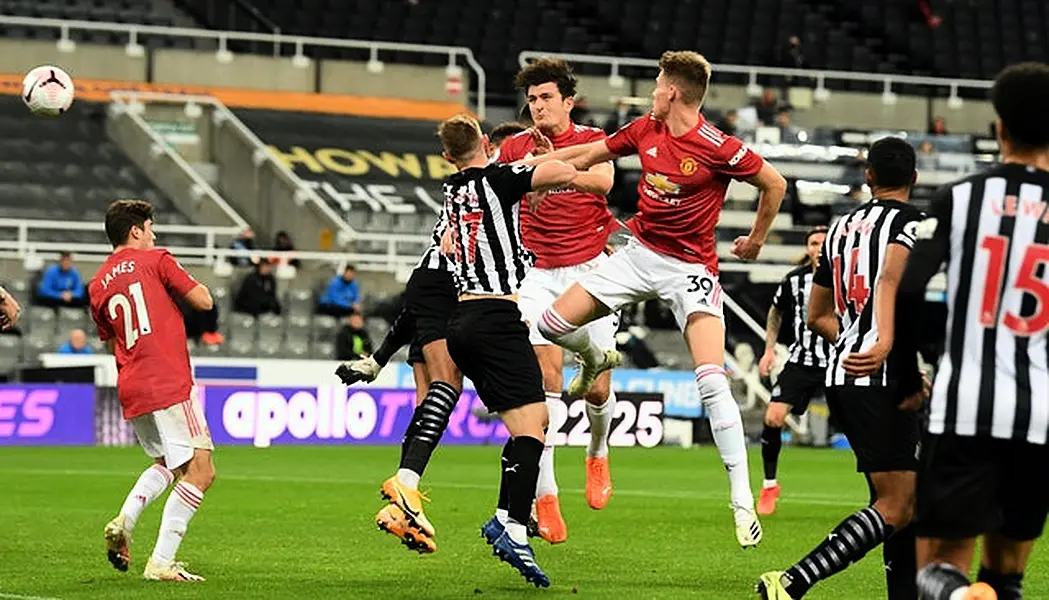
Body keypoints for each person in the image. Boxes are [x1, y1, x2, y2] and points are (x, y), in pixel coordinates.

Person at [521, 50, 786, 548]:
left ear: (674, 92)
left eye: (657, 84)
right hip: (638, 254)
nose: (651, 92)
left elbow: (774, 183)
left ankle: (742, 501)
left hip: (690, 270)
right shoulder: (646, 129)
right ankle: (594, 355)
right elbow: (590, 156)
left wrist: (756, 239)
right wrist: (531, 166)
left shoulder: (717, 146)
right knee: (549, 326)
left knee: (712, 381)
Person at [756, 137, 929, 599]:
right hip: (886, 378)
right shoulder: (915, 224)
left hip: (843, 374)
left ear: (868, 176)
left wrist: (856, 342)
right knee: (897, 504)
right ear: (914, 178)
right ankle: (792, 581)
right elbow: (895, 282)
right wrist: (887, 345)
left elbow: (817, 314)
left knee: (902, 499)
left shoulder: (838, 230)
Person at [904, 62, 1049, 600]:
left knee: (937, 570)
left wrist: (919, 366)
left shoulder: (961, 198)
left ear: (1000, 128)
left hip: (964, 403)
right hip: (1038, 413)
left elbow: (909, 287)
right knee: (1007, 573)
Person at [437, 113, 579, 588]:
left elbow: (448, 240)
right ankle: (511, 523)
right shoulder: (498, 178)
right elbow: (559, 173)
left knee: (528, 424)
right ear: (483, 142)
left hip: (461, 322)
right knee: (535, 425)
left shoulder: (452, 193)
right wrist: (555, 155)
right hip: (497, 318)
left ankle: (510, 518)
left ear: (446, 157)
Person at [496, 57, 621, 543]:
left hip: (590, 270)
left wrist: (547, 170)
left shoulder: (594, 141)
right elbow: (498, 190)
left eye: (547, 97)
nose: (538, 106)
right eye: (532, 99)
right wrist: (526, 173)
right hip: (535, 274)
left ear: (568, 102)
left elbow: (603, 182)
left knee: (596, 388)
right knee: (543, 383)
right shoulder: (513, 147)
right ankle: (546, 497)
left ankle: (598, 451)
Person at [339, 122, 528, 406]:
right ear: (489, 148)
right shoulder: (482, 189)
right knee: (443, 387)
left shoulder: (497, 198)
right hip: (457, 294)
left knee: (439, 391)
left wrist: (380, 358)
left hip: (455, 295)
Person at [89, 199, 216, 582]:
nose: (154, 235)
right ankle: (161, 561)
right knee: (201, 471)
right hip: (168, 379)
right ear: (136, 231)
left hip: (132, 384)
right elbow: (204, 301)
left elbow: (110, 339)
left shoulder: (97, 285)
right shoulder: (157, 259)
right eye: (150, 228)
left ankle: (125, 521)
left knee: (166, 463)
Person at [756, 226, 830, 516]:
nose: (819, 248)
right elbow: (776, 311)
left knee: (861, 425)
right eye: (814, 243)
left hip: (839, 361)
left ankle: (882, 491)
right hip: (803, 360)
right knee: (773, 418)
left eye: (824, 242)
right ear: (808, 248)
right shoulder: (794, 280)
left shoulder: (847, 277)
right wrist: (769, 349)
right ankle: (770, 484)